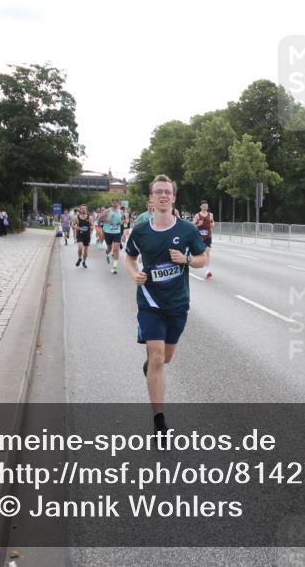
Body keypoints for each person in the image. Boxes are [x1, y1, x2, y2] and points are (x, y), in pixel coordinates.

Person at [124, 174, 206, 435]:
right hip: (149, 302)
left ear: (173, 197)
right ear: (151, 197)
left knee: (166, 357)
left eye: (167, 192)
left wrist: (187, 259)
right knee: (157, 356)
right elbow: (129, 257)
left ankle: (151, 367)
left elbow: (203, 258)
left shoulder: (187, 230)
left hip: (178, 303)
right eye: (158, 191)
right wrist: (133, 273)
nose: (162, 195)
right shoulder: (141, 231)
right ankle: (159, 422)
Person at [101, 198, 125, 274]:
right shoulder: (107, 211)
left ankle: (114, 267)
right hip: (108, 232)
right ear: (111, 203)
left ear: (118, 204)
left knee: (116, 249)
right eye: (113, 203)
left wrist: (120, 223)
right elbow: (100, 219)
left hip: (117, 232)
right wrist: (108, 221)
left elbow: (123, 220)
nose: (115, 204)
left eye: (116, 203)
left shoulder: (121, 211)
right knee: (109, 248)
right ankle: (107, 254)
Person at [192, 200, 215, 279]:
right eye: (203, 206)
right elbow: (193, 226)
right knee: (204, 253)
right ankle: (207, 270)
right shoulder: (197, 215)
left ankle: (207, 271)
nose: (205, 207)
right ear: (201, 207)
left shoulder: (211, 215)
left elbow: (213, 225)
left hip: (208, 236)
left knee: (207, 253)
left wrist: (211, 223)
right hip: (200, 237)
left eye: (206, 206)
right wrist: (198, 224)